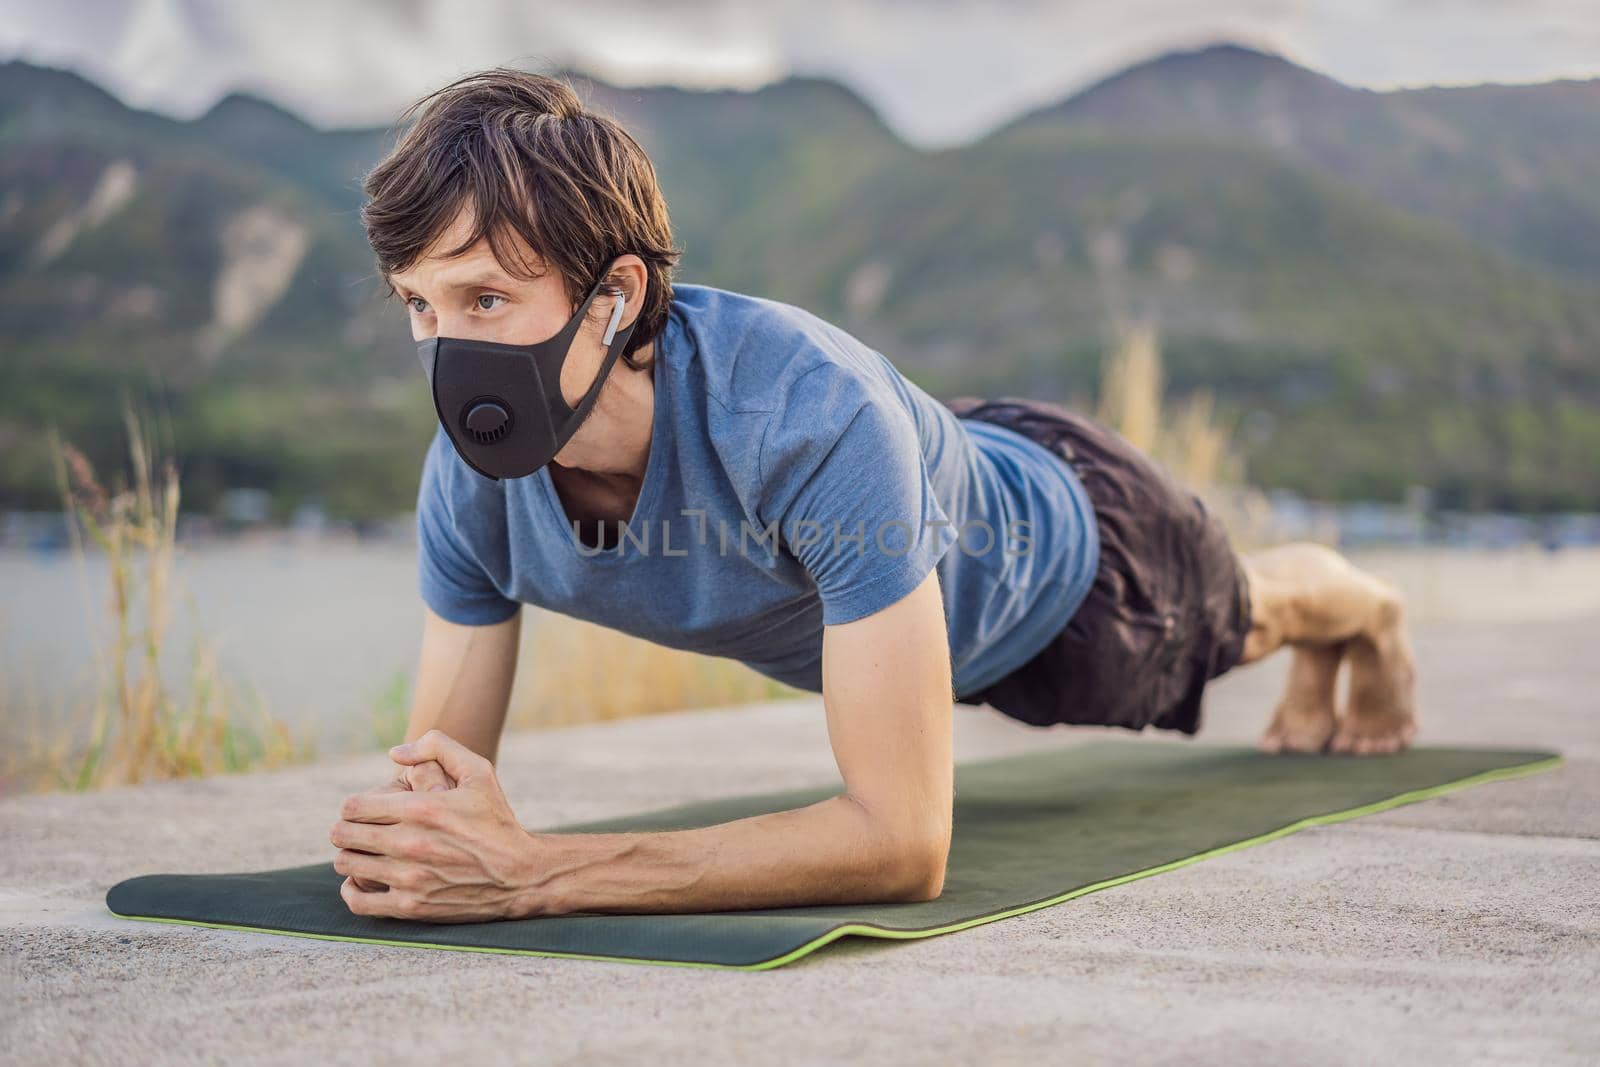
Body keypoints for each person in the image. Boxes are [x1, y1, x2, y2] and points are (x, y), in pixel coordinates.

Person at [327, 69, 1418, 923]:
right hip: (930, 466)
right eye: (420, 305)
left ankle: (1366, 616)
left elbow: (901, 844)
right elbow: (436, 804)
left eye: (485, 297)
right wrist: (428, 847)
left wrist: (535, 873)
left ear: (614, 295)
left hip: (1076, 567)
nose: (446, 347)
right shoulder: (469, 491)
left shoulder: (805, 419)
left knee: (1249, 616)